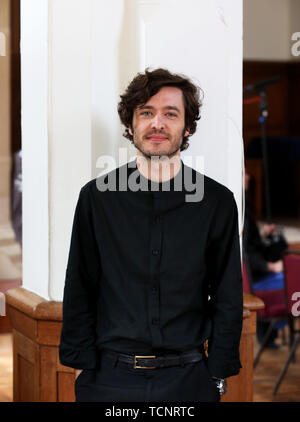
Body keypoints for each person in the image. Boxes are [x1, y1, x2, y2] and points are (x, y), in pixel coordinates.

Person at [59, 68, 243, 402]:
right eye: (146, 112)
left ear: (187, 127)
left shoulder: (217, 202)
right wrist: (81, 367)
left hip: (189, 379)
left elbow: (228, 293)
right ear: (130, 125)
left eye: (170, 114)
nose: (157, 123)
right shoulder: (96, 198)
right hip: (108, 377)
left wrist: (216, 371)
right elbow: (80, 286)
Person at [243, 171, 286, 348]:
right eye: (243, 173)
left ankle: (268, 334)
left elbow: (249, 244)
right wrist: (272, 266)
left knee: (278, 243)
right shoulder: (240, 209)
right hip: (256, 278)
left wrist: (261, 234)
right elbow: (244, 253)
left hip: (256, 272)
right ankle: (269, 330)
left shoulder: (245, 205)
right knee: (290, 280)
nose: (248, 176)